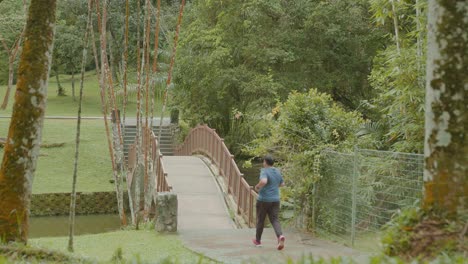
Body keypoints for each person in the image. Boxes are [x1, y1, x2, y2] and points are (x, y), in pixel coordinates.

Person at [252, 155, 286, 250]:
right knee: (275, 219)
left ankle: (258, 241)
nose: (263, 163)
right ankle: (280, 236)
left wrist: (257, 187)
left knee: (261, 220)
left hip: (264, 200)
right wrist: (274, 187)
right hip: (275, 199)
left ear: (265, 162)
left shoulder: (264, 171)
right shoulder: (277, 171)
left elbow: (263, 181)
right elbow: (282, 184)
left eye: (263, 161)